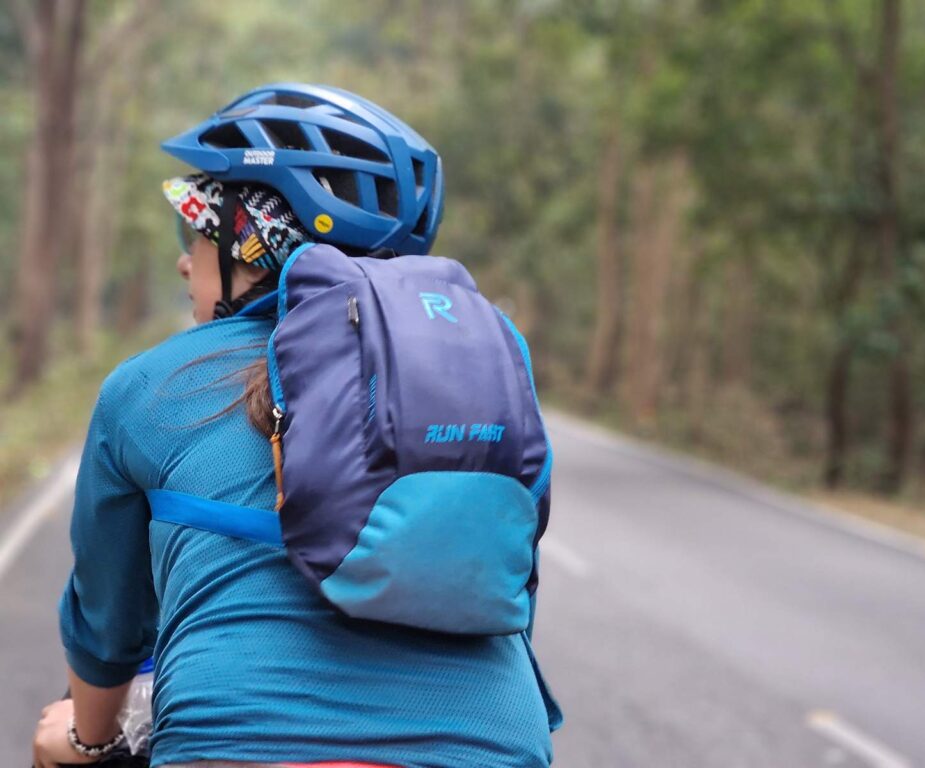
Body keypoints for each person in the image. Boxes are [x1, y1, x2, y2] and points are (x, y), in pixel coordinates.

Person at [32, 83, 559, 768]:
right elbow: (507, 585)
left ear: (252, 239)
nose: (184, 258)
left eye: (197, 226)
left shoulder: (151, 384)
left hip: (234, 744)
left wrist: (85, 740)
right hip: (496, 745)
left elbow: (105, 630)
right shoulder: (483, 368)